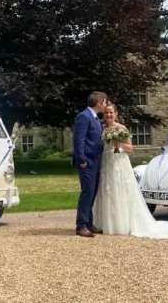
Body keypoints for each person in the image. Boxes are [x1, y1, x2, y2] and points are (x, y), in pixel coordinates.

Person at [92, 102, 168, 239]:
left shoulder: (122, 129)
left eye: (111, 112)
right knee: (107, 190)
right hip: (106, 162)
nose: (109, 115)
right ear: (103, 115)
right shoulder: (101, 128)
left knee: (120, 189)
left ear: (116, 114)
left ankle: (122, 224)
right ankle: (107, 223)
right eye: (106, 113)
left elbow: (130, 148)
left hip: (119, 163)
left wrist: (119, 144)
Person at [72, 91, 107, 237]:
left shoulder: (95, 119)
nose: (106, 105)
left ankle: (88, 223)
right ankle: (80, 226)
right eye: (105, 102)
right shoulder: (84, 117)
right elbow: (78, 140)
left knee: (92, 193)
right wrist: (82, 160)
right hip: (86, 163)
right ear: (99, 102)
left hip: (96, 162)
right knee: (87, 193)